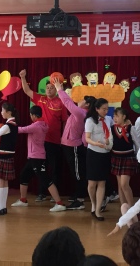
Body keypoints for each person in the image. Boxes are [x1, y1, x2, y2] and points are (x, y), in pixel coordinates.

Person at [19, 69, 68, 202]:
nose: (49, 90)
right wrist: (23, 77)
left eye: (51, 88)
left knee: (55, 168)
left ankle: (55, 196)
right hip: (41, 141)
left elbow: (65, 121)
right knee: (41, 168)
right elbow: (27, 91)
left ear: (56, 89)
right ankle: (41, 193)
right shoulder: (40, 99)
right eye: (47, 88)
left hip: (55, 141)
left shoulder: (61, 102)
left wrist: (63, 137)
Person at [10, 106, 67, 212]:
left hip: (37, 157)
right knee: (24, 175)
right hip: (33, 157)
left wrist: (7, 126)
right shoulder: (43, 124)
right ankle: (23, 200)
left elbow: (20, 130)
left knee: (46, 180)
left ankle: (59, 203)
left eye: (31, 115)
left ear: (34, 115)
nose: (30, 117)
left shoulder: (36, 126)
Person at [53, 77, 91, 210]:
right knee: (74, 172)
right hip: (68, 145)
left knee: (78, 173)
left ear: (87, 105)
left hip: (74, 146)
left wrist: (59, 89)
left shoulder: (81, 113)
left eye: (83, 100)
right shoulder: (79, 113)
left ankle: (80, 200)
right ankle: (77, 196)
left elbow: (67, 103)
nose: (79, 101)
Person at [84, 98, 113, 221]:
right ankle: (93, 203)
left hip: (105, 153)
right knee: (92, 184)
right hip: (93, 153)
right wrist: (96, 143)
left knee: (102, 182)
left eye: (107, 109)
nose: (106, 111)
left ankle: (98, 210)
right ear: (96, 109)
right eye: (103, 109)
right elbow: (87, 138)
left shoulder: (108, 119)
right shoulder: (90, 121)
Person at [110, 107, 137, 208]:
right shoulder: (112, 128)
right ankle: (124, 209)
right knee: (120, 186)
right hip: (116, 158)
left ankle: (132, 208)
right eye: (114, 116)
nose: (115, 118)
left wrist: (139, 156)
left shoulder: (131, 128)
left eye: (117, 116)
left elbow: (137, 143)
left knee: (124, 184)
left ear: (124, 116)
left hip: (128, 158)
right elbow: (110, 142)